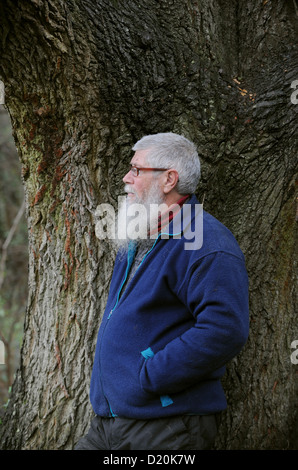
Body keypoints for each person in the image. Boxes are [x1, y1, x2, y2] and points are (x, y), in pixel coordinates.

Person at [75, 132, 249, 451]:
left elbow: (225, 328)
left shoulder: (207, 244)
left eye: (137, 170)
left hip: (167, 426)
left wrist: (149, 377)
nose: (127, 177)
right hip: (108, 423)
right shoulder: (139, 236)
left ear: (169, 179)